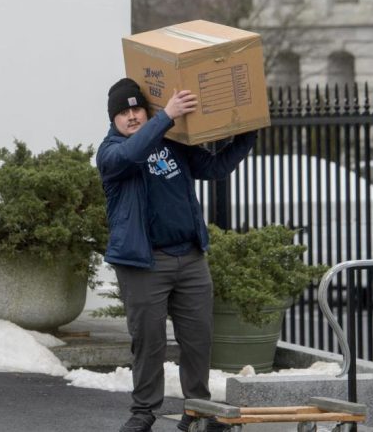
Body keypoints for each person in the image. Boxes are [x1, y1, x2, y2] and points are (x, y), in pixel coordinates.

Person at [96, 77, 257, 432]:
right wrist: (166, 116)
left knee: (198, 339)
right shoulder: (110, 153)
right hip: (144, 263)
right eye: (124, 112)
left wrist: (248, 132)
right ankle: (143, 413)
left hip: (190, 257)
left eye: (138, 108)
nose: (133, 116)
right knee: (149, 342)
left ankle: (197, 409)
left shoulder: (171, 142)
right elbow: (133, 152)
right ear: (113, 119)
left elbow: (214, 168)